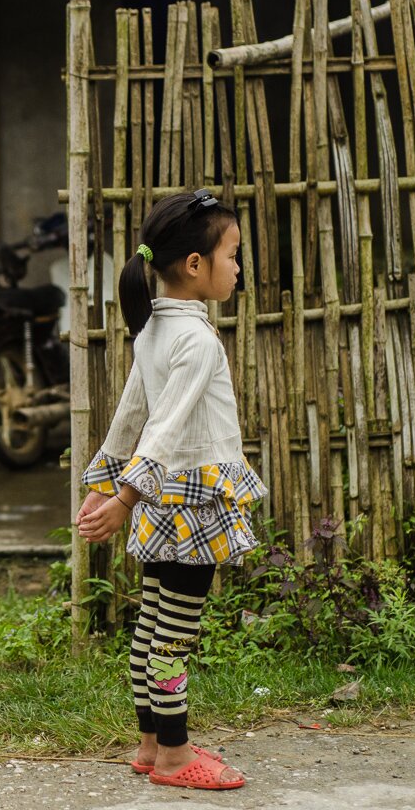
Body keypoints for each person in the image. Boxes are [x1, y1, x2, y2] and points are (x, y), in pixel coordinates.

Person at [75, 189, 267, 791]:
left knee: (152, 623)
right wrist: (123, 496)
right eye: (232, 256)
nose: (237, 267)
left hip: (161, 504)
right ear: (194, 265)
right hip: (193, 504)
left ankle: (150, 743)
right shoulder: (197, 340)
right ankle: (177, 756)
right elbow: (162, 424)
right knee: (175, 632)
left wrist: (107, 483)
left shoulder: (154, 330)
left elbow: (130, 415)